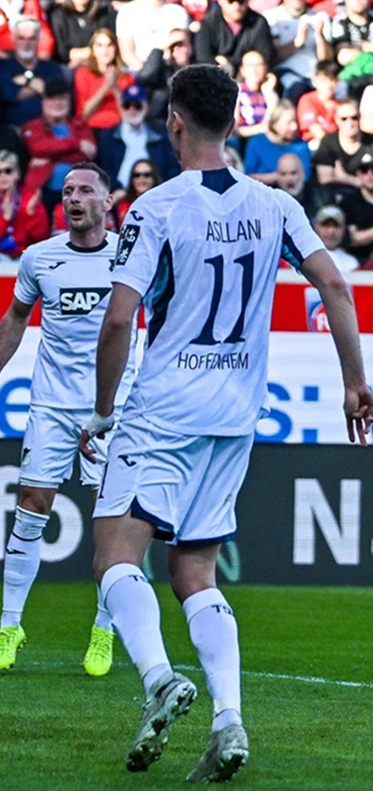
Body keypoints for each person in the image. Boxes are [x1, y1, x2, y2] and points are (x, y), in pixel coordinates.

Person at [79, 64, 371, 782]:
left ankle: (157, 678)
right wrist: (356, 383)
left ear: (174, 120)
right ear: (235, 121)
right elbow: (335, 284)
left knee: (115, 555)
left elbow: (119, 316)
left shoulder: (156, 207)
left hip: (164, 406)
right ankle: (228, 717)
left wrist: (104, 406)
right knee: (195, 569)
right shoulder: (275, 206)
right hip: (236, 410)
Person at [0, 163, 135, 677]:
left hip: (114, 409)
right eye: (68, 192)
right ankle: (11, 625)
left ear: (108, 201)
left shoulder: (131, 258)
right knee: (33, 503)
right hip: (52, 405)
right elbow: (17, 316)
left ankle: (103, 632)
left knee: (114, 523)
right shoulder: (41, 258)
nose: (75, 199)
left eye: (87, 190)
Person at [96, 85, 180, 195]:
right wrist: (115, 189)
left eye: (137, 105)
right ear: (120, 107)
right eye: (127, 105)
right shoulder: (107, 137)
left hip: (155, 195)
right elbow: (104, 169)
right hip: (119, 197)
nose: (132, 109)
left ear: (147, 107)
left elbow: (172, 169)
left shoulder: (160, 137)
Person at [20, 79, 96, 201]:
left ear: (69, 101)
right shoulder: (33, 126)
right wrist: (77, 144)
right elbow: (38, 148)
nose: (57, 103)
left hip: (78, 193)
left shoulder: (80, 125)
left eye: (61, 98)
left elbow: (88, 155)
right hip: (42, 193)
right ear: (43, 102)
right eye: (52, 98)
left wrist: (49, 159)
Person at [0, 17, 66, 128]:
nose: (26, 43)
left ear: (38, 39)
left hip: (48, 129)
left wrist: (26, 81)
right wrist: (38, 87)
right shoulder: (1, 66)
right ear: (13, 39)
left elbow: (56, 96)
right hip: (12, 129)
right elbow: (9, 94)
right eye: (21, 38)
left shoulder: (52, 68)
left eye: (31, 39)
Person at [0, 149, 48, 259]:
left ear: (17, 174)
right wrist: (5, 219)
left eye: (8, 171)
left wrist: (31, 215)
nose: (2, 176)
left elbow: (41, 237)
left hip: (26, 254)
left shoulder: (30, 197)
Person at [194, 0, 275, 76]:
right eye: (231, 1)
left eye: (241, 1)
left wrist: (228, 62)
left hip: (249, 78)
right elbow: (203, 57)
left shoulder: (259, 22)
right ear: (220, 1)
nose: (236, 6)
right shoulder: (208, 23)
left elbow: (265, 56)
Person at [74, 29, 133, 132]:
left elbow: (129, 115)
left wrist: (115, 88)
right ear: (93, 49)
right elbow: (84, 114)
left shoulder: (126, 77)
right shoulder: (83, 74)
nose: (105, 51)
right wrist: (106, 86)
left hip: (118, 129)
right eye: (100, 45)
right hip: (92, 129)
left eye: (109, 45)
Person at [244, 100, 311, 185]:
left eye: (295, 121)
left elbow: (306, 175)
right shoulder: (256, 143)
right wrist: (275, 177)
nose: (294, 127)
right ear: (275, 124)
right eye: (289, 122)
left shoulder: (300, 145)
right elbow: (248, 176)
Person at [313, 99, 369, 198]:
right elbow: (324, 178)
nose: (350, 123)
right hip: (335, 196)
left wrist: (344, 178)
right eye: (344, 119)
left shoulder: (370, 142)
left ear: (360, 117)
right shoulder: (328, 142)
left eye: (354, 117)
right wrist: (360, 182)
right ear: (336, 120)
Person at [49, 0, 115, 68]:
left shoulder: (102, 14)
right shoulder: (58, 15)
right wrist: (93, 51)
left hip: (97, 66)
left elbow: (105, 45)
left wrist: (77, 54)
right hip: (67, 68)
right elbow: (62, 53)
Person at [337, 149, 373, 264]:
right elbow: (354, 239)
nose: (370, 175)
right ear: (358, 174)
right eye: (364, 170)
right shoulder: (349, 202)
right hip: (356, 262)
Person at [297, 60, 340, 145]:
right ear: (314, 81)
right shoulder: (307, 100)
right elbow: (315, 131)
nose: (328, 85)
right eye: (324, 80)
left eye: (332, 80)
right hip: (313, 144)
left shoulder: (339, 105)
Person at [313, 205, 362, 272]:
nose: (331, 231)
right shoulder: (304, 259)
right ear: (316, 227)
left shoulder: (351, 263)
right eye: (326, 225)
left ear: (344, 228)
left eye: (336, 226)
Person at [112, 159, 160, 227]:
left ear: (154, 178)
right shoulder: (123, 204)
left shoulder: (163, 204)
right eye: (137, 175)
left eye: (146, 175)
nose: (141, 179)